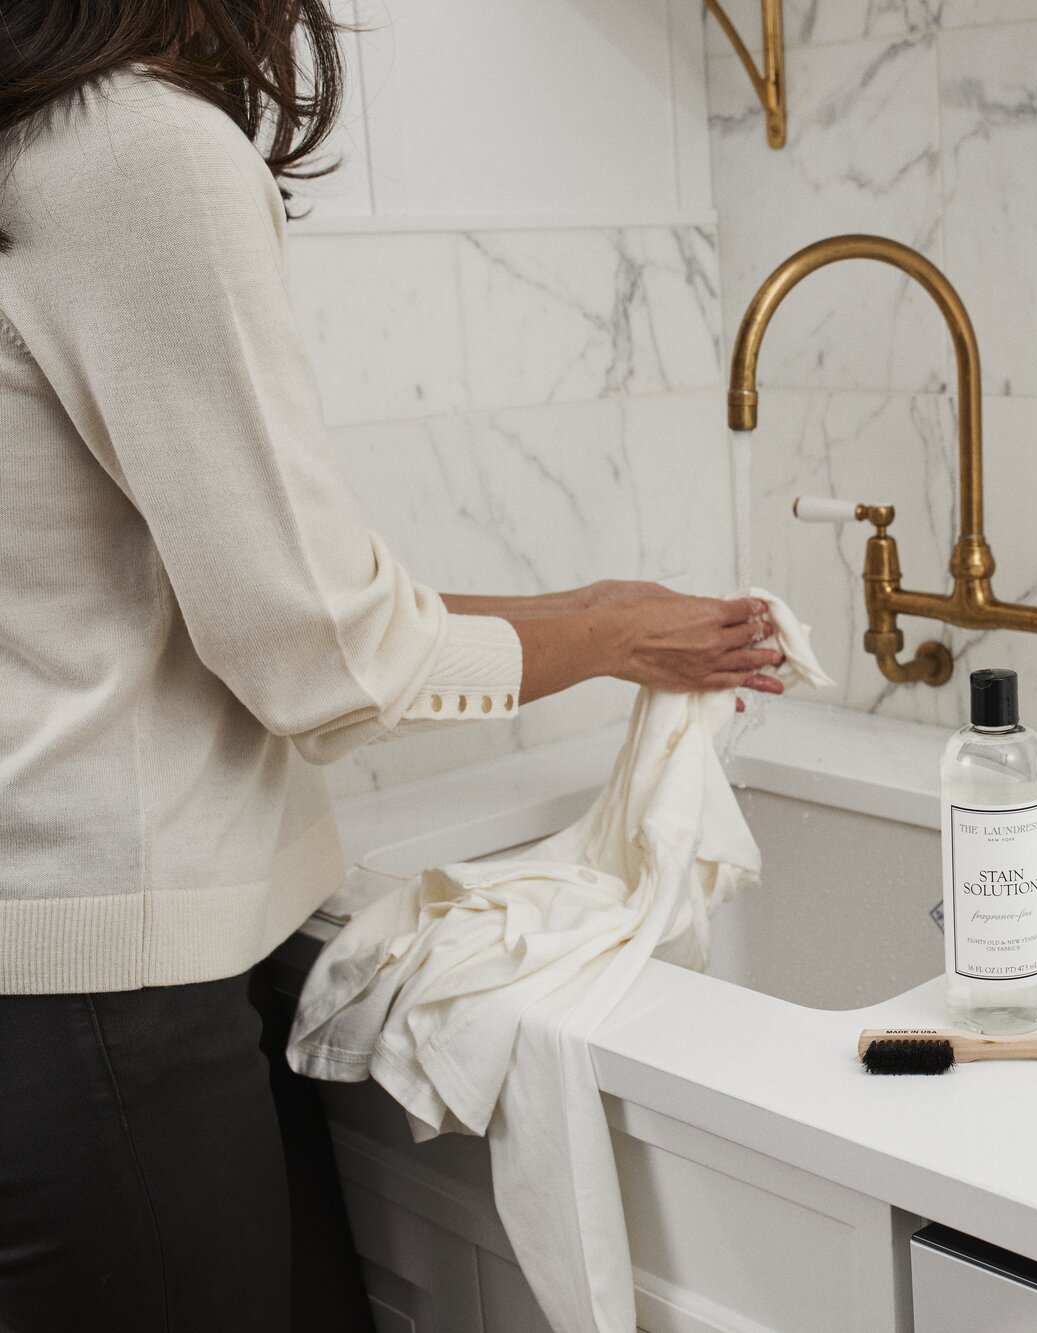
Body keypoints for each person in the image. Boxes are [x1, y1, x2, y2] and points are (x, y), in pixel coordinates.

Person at [0, 4, 781, 1329]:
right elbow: (320, 649)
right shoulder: (135, 151)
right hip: (109, 1007)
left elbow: (231, 601)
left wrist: (589, 612)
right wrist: (601, 628)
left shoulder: (35, 140)